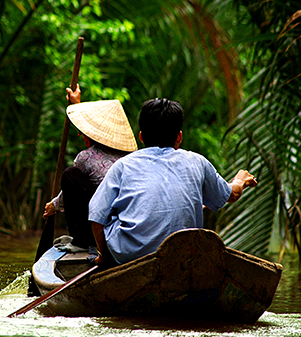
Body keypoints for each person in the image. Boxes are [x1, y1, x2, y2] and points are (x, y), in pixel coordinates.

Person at [88, 98, 257, 265]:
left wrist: (106, 256)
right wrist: (240, 180)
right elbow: (232, 194)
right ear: (179, 137)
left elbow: (96, 214)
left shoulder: (123, 165)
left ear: (141, 137)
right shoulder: (197, 161)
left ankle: (107, 256)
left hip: (130, 256)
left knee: (110, 212)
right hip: (183, 253)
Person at [42, 86, 137, 248]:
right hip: (129, 227)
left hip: (102, 227)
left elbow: (69, 192)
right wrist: (76, 104)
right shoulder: (132, 157)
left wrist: (54, 206)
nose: (81, 135)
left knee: (70, 175)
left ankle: (80, 241)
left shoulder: (85, 157)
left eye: (84, 133)